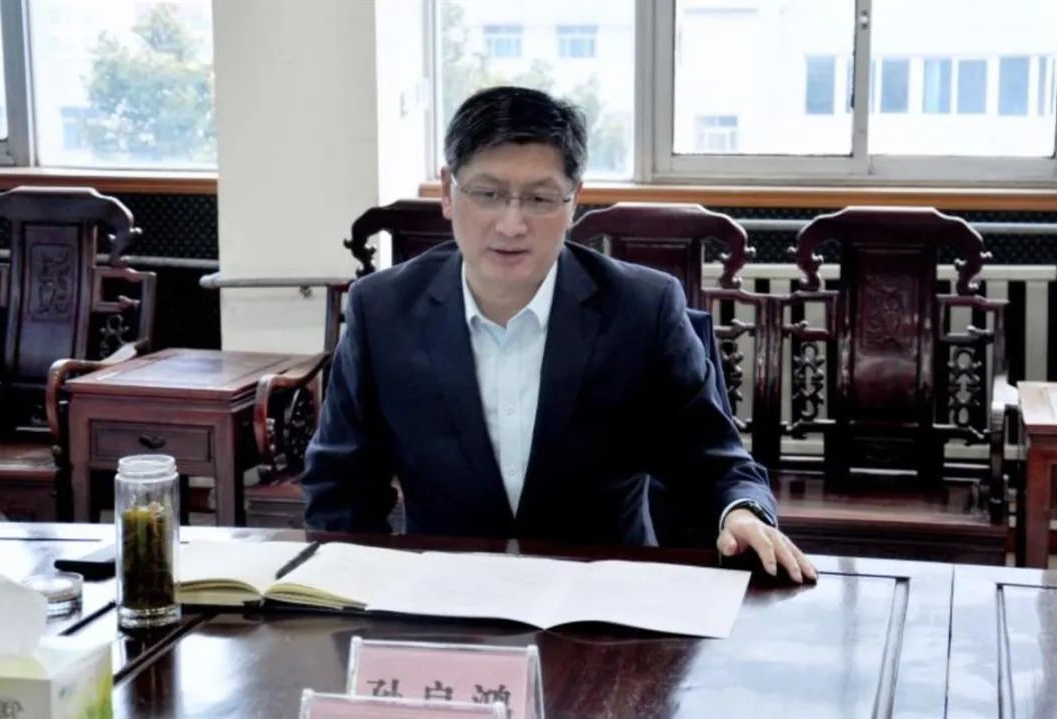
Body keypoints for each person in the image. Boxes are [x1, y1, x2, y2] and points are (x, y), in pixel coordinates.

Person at [302, 86, 817, 584]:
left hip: (602, 597)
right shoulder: (383, 310)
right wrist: (352, 596)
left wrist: (742, 512)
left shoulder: (642, 308)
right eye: (487, 194)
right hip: (443, 596)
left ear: (574, 202)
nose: (511, 224)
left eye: (540, 198)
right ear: (447, 192)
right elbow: (340, 482)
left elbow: (714, 462)